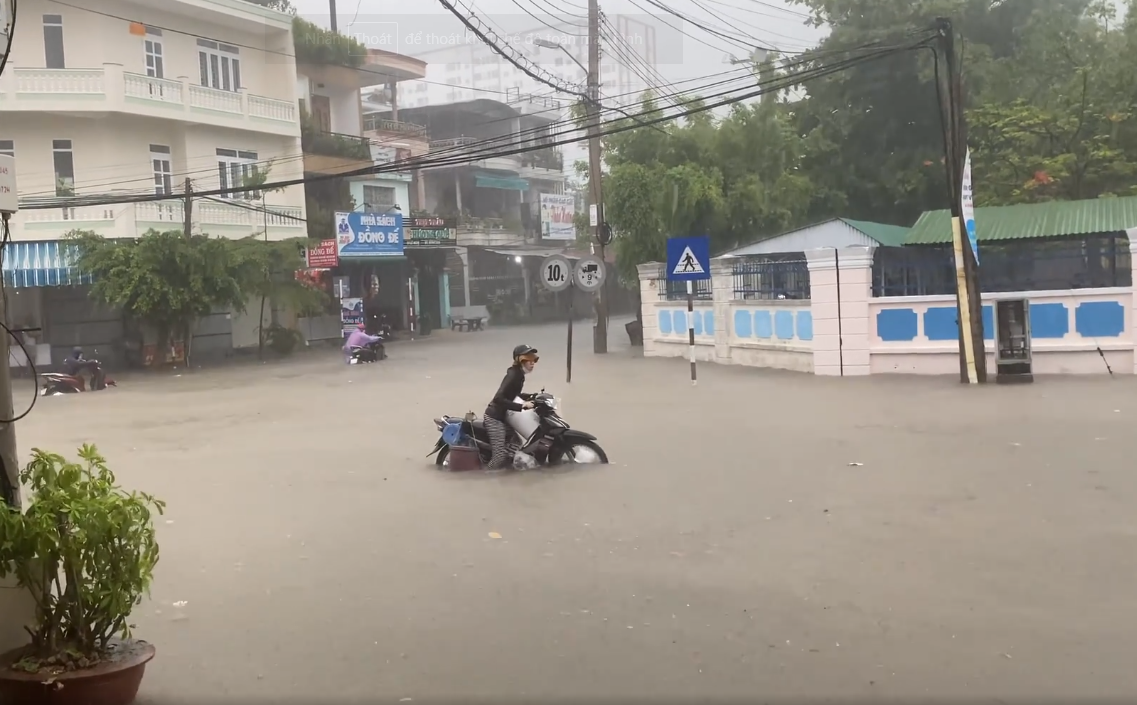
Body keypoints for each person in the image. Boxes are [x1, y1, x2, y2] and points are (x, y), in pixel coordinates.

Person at [484, 344, 538, 469]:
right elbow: (499, 398)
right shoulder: (513, 375)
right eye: (528, 358)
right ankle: (488, 475)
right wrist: (522, 407)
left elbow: (513, 394)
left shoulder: (519, 375)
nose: (532, 362)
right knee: (499, 456)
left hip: (504, 417)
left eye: (534, 359)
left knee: (516, 444)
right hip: (494, 418)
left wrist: (532, 396)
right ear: (519, 359)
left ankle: (509, 470)